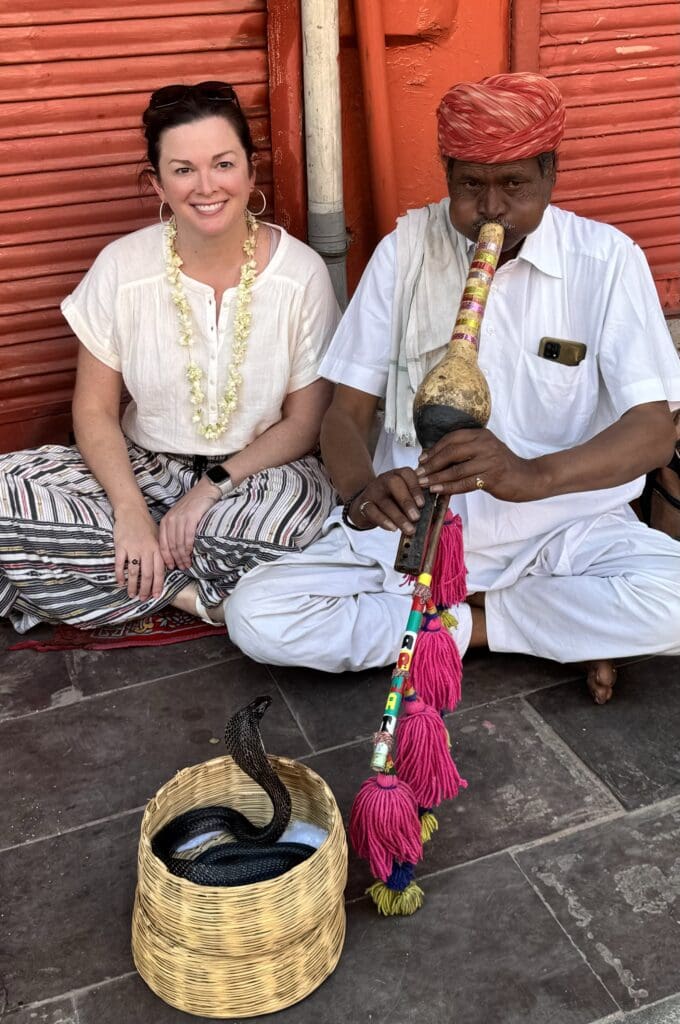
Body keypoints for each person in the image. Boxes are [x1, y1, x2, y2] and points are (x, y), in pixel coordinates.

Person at [225, 72, 680, 704]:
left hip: (562, 529)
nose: (491, 209)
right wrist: (361, 494)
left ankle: (465, 628)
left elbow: (655, 431)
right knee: (258, 615)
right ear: (447, 174)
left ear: (551, 173)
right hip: (420, 529)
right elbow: (345, 412)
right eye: (471, 185)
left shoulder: (607, 260)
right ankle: (546, 628)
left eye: (515, 185)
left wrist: (534, 476)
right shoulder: (404, 251)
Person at [0, 81, 340, 634]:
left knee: (295, 534)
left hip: (257, 480)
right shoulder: (120, 267)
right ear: (157, 181)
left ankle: (107, 576)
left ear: (251, 172)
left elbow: (305, 421)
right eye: (183, 170)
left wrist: (212, 489)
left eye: (223, 164)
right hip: (141, 471)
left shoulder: (300, 273)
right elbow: (92, 413)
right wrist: (131, 511)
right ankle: (196, 599)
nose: (206, 187)